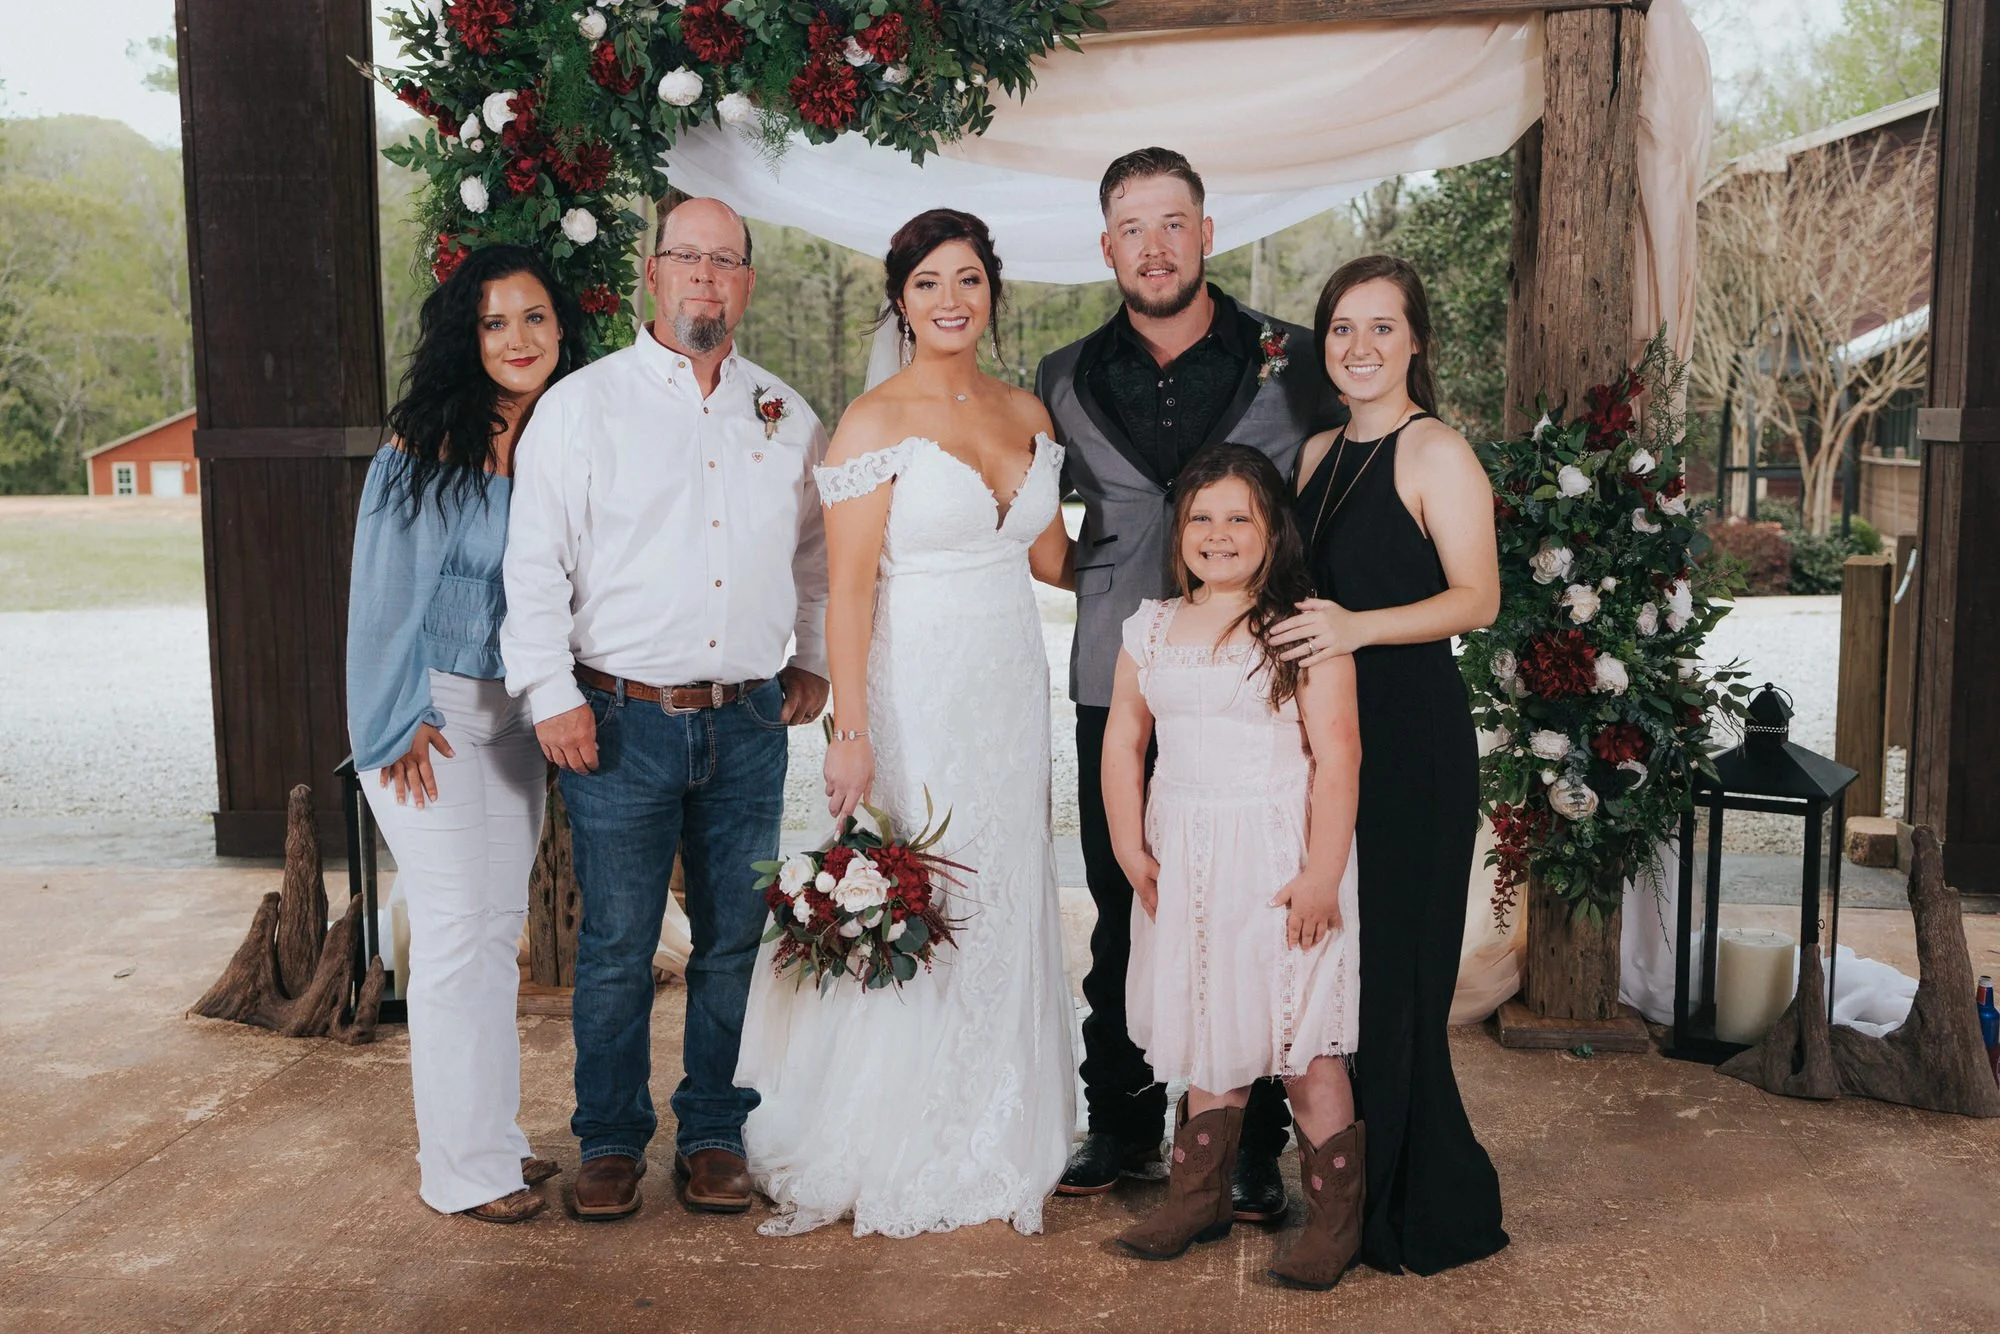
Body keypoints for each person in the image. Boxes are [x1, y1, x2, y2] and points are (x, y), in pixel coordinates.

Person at [734, 208, 1077, 1238]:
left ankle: (1001, 1112)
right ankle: (898, 1125)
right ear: (900, 300)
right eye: (928, 282)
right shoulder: (872, 421)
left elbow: (1052, 560)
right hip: (916, 686)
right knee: (929, 880)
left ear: (991, 291)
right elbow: (847, 590)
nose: (949, 299)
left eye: (967, 279)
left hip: (1009, 687)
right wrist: (849, 730)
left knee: (1004, 883)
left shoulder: (1027, 410)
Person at [500, 198, 830, 1223]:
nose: (704, 276)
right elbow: (533, 562)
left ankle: (714, 1132)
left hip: (747, 722)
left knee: (733, 940)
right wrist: (550, 693)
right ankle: (608, 1139)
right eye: (686, 256)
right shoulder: (582, 406)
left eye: (724, 261)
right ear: (653, 275)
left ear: (746, 283)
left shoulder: (786, 413)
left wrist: (813, 660)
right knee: (616, 945)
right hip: (618, 718)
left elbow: (816, 556)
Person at [1036, 147, 1343, 1218]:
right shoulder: (1062, 374)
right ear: (1106, 246)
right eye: (1132, 227)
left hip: (1261, 686)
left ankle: (1250, 1146)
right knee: (1128, 901)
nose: (1154, 246)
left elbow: (1338, 493)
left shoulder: (1294, 360)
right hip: (1119, 675)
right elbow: (1037, 516)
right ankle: (1121, 1121)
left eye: (1173, 223)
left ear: (1207, 234)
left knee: (1259, 910)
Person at [346, 243, 588, 1224]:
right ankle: (459, 1171)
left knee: (493, 937)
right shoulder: (424, 445)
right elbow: (379, 599)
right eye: (494, 322)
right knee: (452, 937)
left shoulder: (564, 439)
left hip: (516, 716)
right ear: (467, 335)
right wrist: (393, 719)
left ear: (561, 327)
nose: (517, 339)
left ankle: (492, 1140)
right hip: (429, 716)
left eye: (533, 317)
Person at [1275, 254, 1507, 1275]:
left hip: (1411, 738)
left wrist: (1356, 627)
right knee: (1341, 971)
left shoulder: (1436, 450)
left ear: (1416, 341)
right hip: (1327, 744)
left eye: (1381, 327)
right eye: (1342, 328)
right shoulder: (1315, 452)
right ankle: (1348, 1188)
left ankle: (1421, 1205)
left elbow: (1477, 599)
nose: (1359, 346)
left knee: (1399, 976)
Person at [1104, 446, 1364, 1286]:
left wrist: (1322, 874)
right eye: (1201, 518)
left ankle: (1334, 1225)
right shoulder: (1150, 628)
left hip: (1282, 858)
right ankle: (1198, 1199)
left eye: (1239, 518)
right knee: (1210, 1023)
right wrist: (1128, 845)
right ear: (1179, 530)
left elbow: (1340, 756)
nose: (1218, 535)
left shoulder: (1302, 629)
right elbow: (1124, 740)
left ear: (1273, 529)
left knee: (1303, 1039)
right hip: (1186, 856)